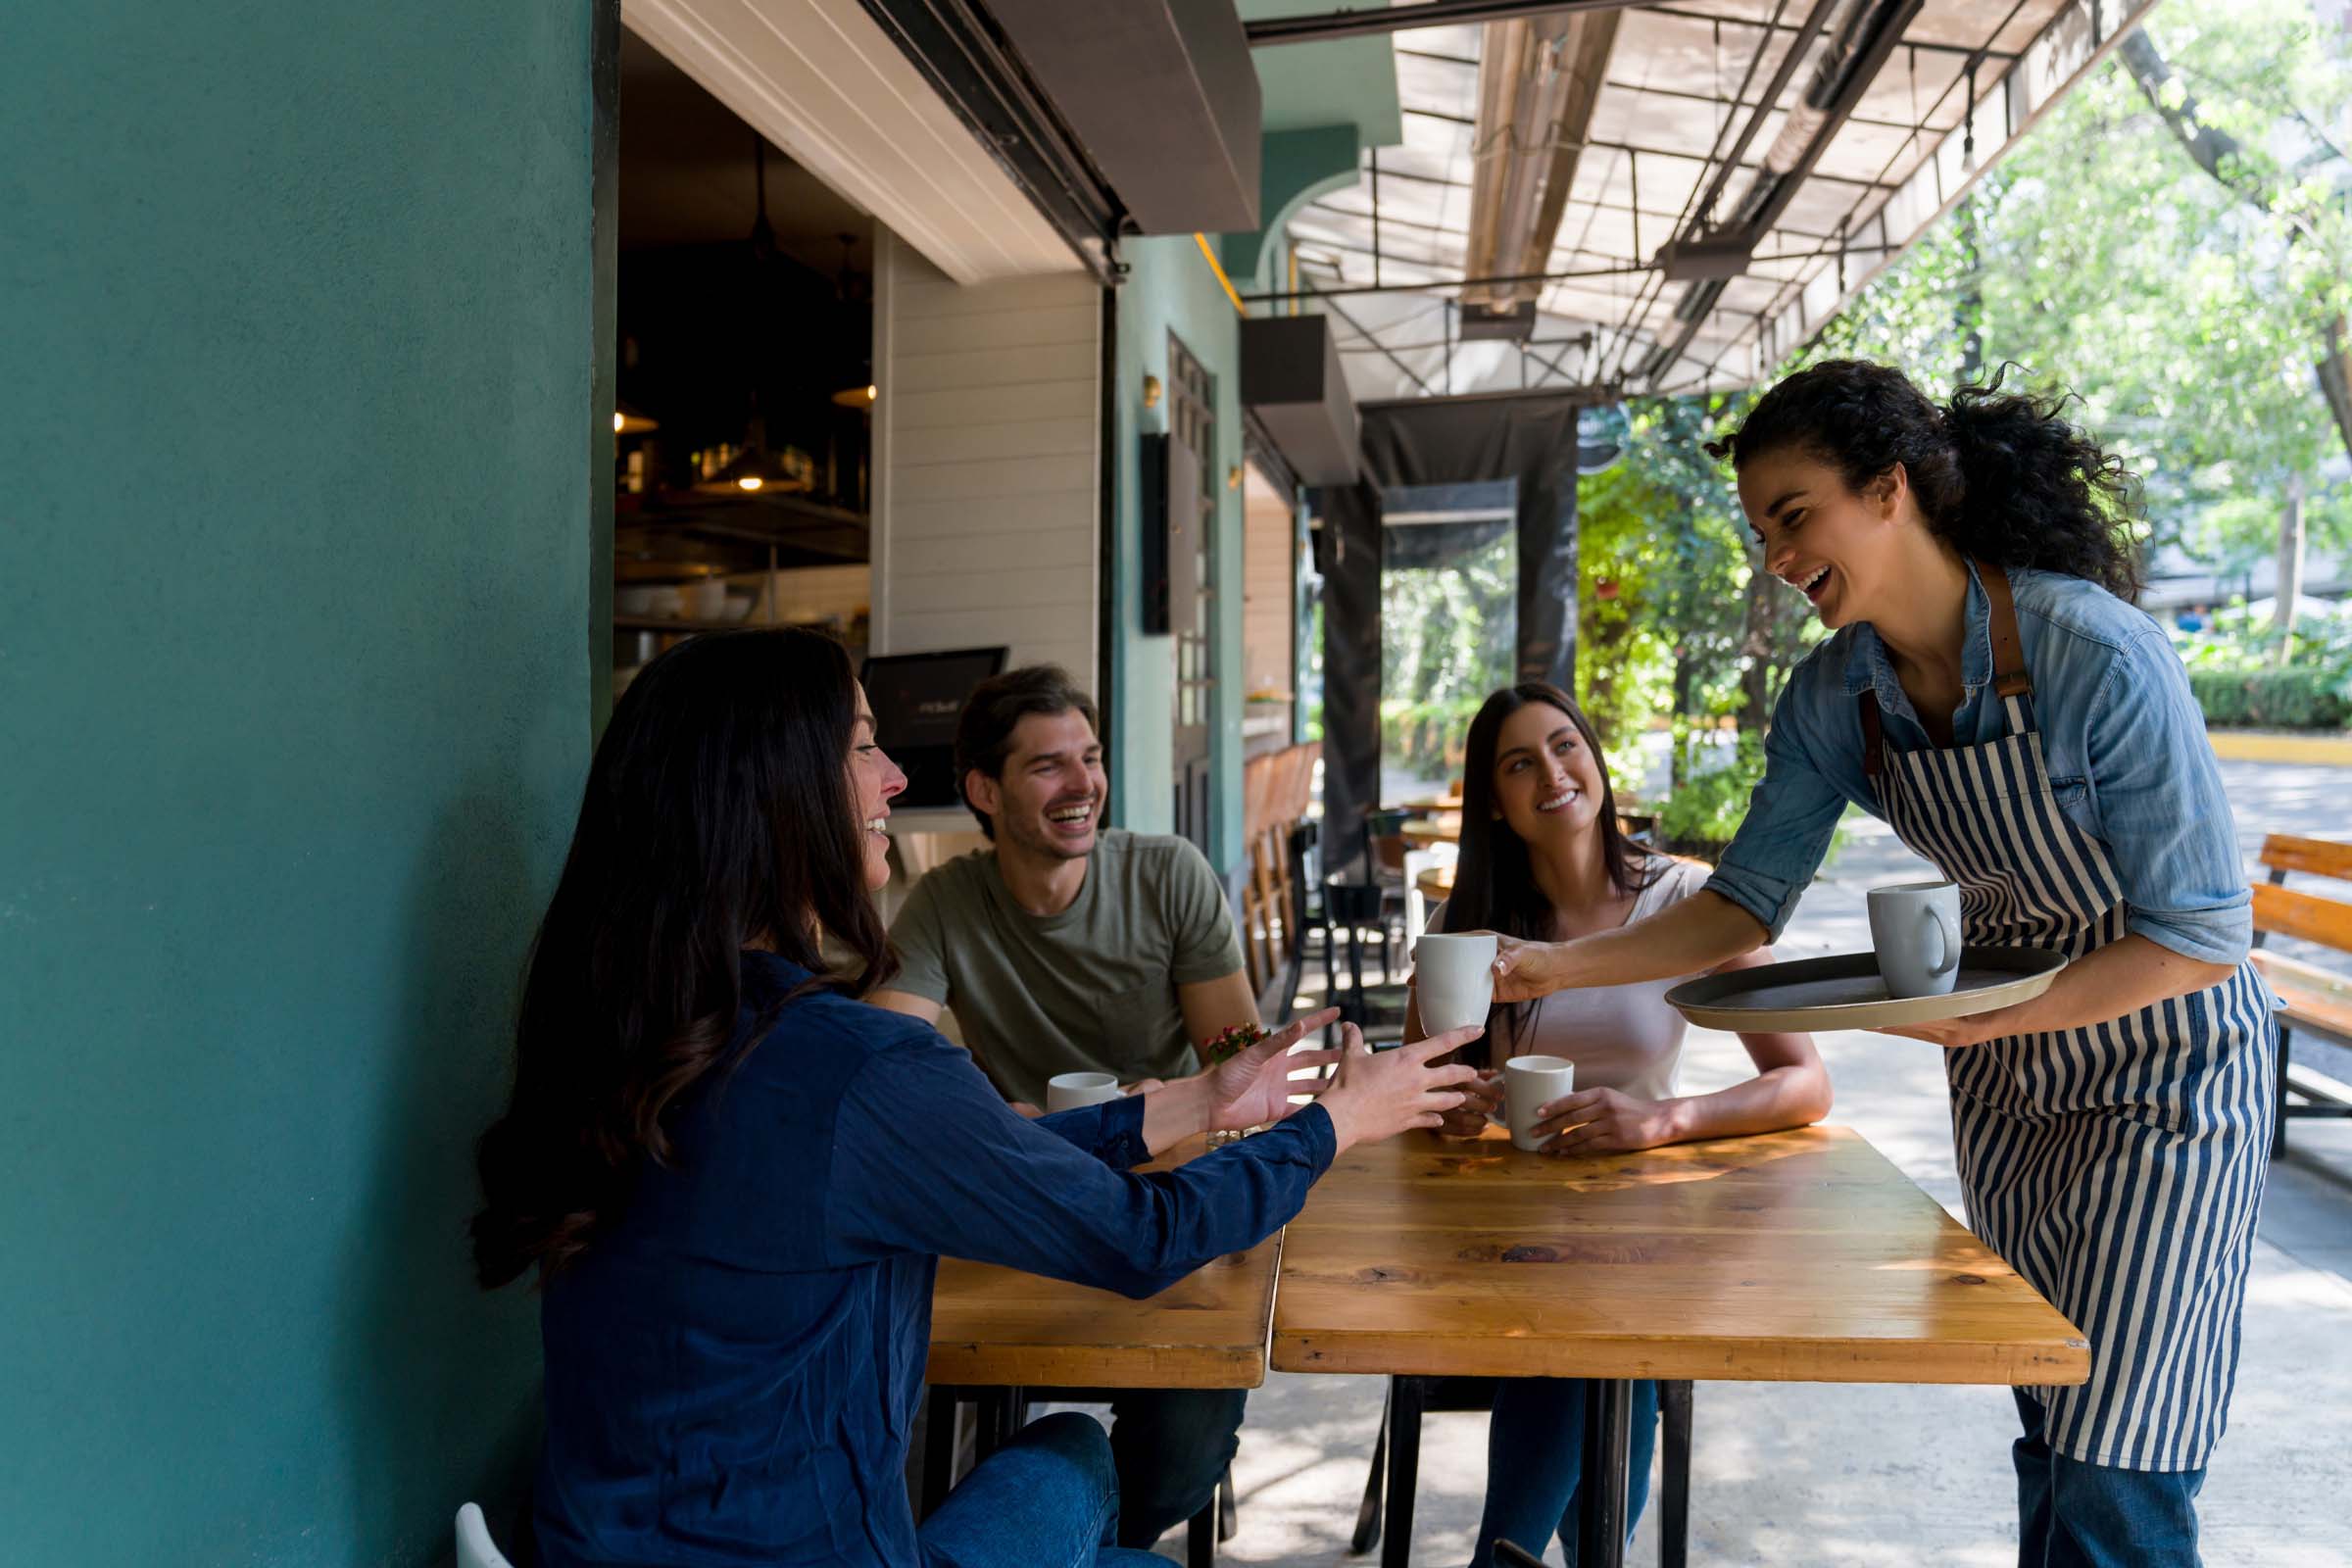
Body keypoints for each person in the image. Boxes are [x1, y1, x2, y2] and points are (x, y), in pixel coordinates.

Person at [469, 628, 1481, 1568]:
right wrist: (1335, 1121)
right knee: (1092, 1487)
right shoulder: (854, 1062)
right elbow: (1144, 1239)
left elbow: (950, 1149)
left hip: (585, 1540)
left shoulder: (614, 1037)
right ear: (770, 794)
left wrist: (1185, 1105)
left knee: (1074, 1454)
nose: (893, 778)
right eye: (864, 747)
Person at [1487, 362, 2275, 1568]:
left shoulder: (2096, 657)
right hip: (2016, 1090)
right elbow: (1741, 910)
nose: (1776, 558)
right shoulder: (1832, 700)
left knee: (2123, 1462)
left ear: (1891, 488)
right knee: (2056, 1418)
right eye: (1761, 533)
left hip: (2172, 1076)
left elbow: (2200, 933)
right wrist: (1550, 968)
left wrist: (2003, 1020)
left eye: (1795, 517)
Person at [1411, 683, 1831, 1568]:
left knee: (1598, 1320)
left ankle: (1509, 1554)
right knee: (1578, 1325)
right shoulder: (1467, 926)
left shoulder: (1690, 903)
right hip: (1499, 1242)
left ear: (1596, 761)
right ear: (1493, 799)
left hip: (1643, 1229)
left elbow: (1804, 1082)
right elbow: (1416, 1094)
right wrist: (1454, 1114)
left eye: (1566, 746)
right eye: (1520, 763)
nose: (1553, 773)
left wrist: (1660, 1122)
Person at [869, 663, 1267, 1548]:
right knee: (897, 1379)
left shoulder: (1167, 875)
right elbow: (884, 1067)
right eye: (1049, 765)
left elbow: (1243, 1066)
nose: (1084, 783)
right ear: (984, 789)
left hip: (1167, 1207)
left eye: (1089, 758)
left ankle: (1081, 1535)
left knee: (1183, 1446)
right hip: (1021, 1214)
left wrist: (1182, 1102)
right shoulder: (943, 903)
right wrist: (983, 1111)